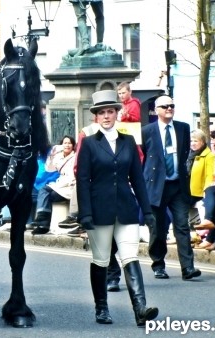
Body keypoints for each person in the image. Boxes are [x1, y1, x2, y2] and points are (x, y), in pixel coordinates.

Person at [76, 89, 158, 326]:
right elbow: (83, 180)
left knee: (130, 256)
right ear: (96, 116)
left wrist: (148, 211)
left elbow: (137, 179)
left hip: (126, 208)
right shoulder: (89, 144)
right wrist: (85, 214)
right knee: (101, 260)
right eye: (101, 112)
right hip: (99, 209)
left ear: (116, 113)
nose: (106, 116)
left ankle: (140, 309)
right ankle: (101, 308)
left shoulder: (128, 141)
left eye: (110, 111)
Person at [141, 95, 201, 280]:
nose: (169, 108)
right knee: (158, 228)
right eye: (165, 106)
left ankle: (188, 268)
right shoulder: (147, 131)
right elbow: (143, 156)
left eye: (172, 105)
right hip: (157, 186)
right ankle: (158, 265)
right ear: (157, 110)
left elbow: (185, 155)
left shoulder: (183, 128)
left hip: (178, 185)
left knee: (182, 226)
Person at [31, 136, 77, 235]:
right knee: (44, 192)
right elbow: (49, 168)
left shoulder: (75, 157)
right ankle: (43, 222)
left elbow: (72, 176)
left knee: (44, 192)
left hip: (70, 186)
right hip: (60, 186)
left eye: (69, 143)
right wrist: (52, 154)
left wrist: (57, 185)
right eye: (65, 143)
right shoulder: (59, 157)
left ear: (73, 146)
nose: (67, 145)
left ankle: (43, 222)